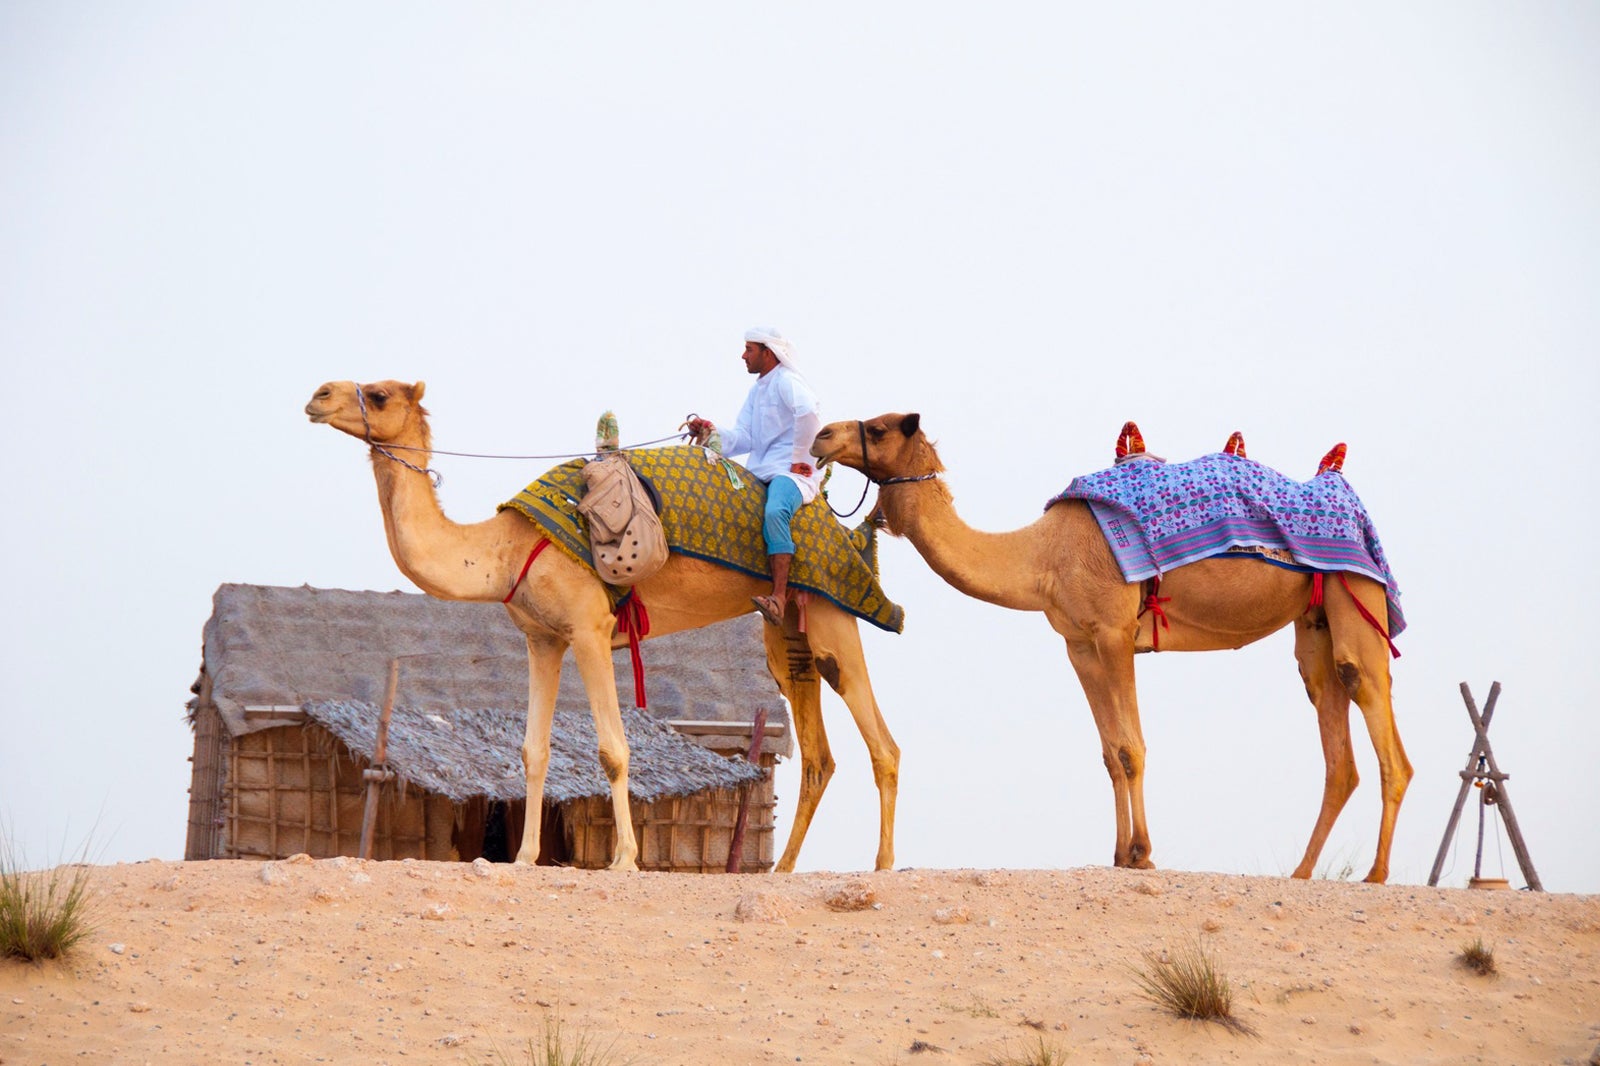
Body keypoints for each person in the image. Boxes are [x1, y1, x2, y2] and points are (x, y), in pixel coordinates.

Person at [685, 326, 822, 626]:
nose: (743, 355)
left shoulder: (787, 381)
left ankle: (779, 597)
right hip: (761, 469)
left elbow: (809, 411)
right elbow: (744, 437)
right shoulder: (757, 391)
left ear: (768, 353)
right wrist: (712, 432)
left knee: (775, 511)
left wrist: (800, 460)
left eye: (749, 349)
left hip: (790, 472)